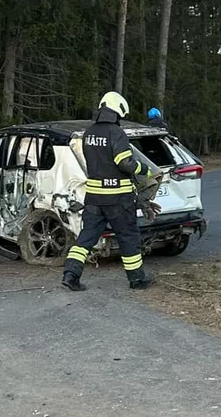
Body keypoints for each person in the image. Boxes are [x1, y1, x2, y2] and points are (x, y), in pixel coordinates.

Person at [62, 91, 155, 292]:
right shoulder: (116, 133)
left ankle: (70, 275)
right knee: (128, 237)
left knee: (86, 237)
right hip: (118, 199)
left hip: (94, 197)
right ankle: (137, 280)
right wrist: (144, 169)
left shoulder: (88, 133)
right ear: (118, 110)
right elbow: (124, 163)